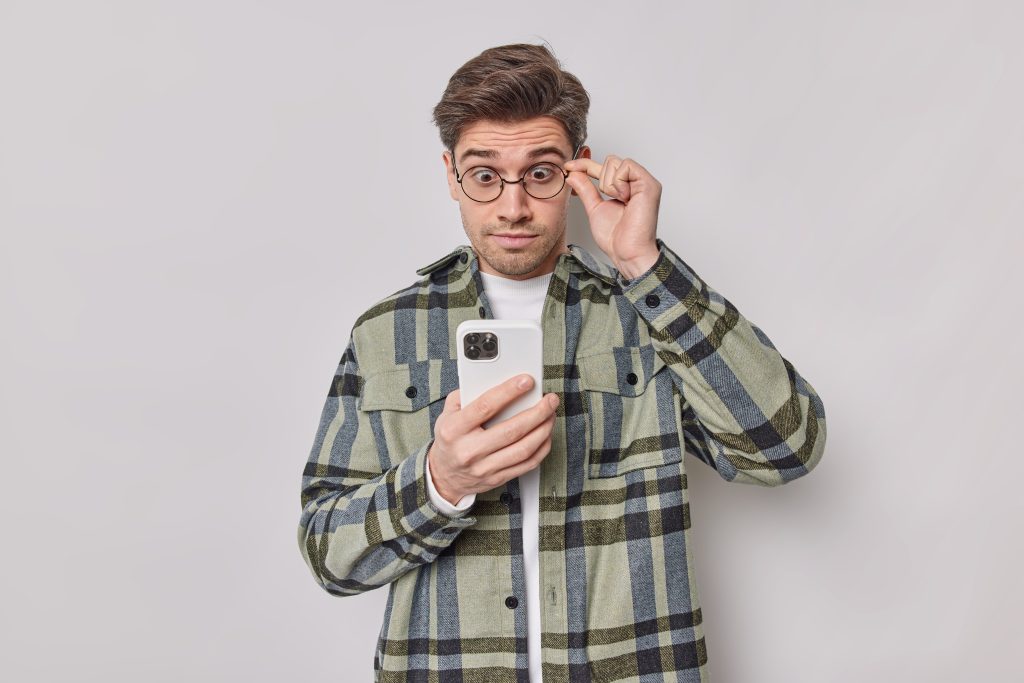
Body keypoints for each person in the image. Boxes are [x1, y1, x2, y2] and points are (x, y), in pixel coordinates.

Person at [297, 42, 827, 683]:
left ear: (579, 170)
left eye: (541, 173)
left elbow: (787, 447)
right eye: (485, 174)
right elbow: (328, 554)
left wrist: (643, 263)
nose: (513, 206)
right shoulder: (386, 334)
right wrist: (439, 483)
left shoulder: (648, 310)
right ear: (450, 176)